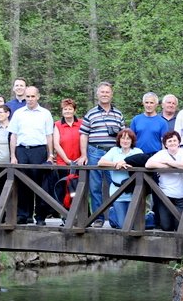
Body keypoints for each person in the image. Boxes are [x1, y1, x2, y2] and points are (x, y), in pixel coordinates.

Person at [78, 82, 125, 227]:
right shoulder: (91, 113)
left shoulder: (118, 114)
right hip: (95, 151)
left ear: (111, 94)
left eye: (107, 92)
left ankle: (115, 217)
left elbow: (124, 136)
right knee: (95, 186)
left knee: (115, 184)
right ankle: (97, 217)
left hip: (113, 152)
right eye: (102, 92)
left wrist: (122, 154)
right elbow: (83, 135)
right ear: (97, 94)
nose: (105, 94)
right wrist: (84, 155)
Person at [9, 86, 55, 226]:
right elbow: (13, 135)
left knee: (40, 185)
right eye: (27, 96)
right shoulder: (18, 113)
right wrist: (13, 156)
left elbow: (49, 135)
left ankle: (40, 216)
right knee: (22, 184)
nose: (30, 99)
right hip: (22, 150)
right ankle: (23, 215)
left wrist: (50, 155)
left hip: (39, 150)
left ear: (38, 97)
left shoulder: (45, 113)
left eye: (32, 96)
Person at [145, 131, 183, 231]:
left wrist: (166, 161)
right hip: (165, 194)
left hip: (181, 195)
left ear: (179, 142)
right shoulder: (161, 153)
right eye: (169, 141)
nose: (172, 143)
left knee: (181, 226)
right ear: (165, 144)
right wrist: (169, 166)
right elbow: (148, 164)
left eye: (174, 140)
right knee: (166, 226)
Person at [98, 129, 142, 229]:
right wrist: (116, 164)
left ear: (132, 140)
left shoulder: (137, 151)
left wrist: (127, 163)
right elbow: (100, 162)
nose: (125, 141)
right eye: (123, 138)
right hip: (117, 191)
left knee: (133, 225)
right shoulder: (114, 150)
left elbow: (144, 163)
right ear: (119, 140)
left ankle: (148, 217)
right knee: (123, 226)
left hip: (133, 191)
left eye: (128, 138)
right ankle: (113, 215)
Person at [54, 98, 82, 166]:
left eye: (70, 109)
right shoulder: (57, 125)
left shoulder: (81, 123)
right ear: (62, 111)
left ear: (74, 111)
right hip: (62, 162)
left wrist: (82, 157)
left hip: (79, 162)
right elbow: (56, 144)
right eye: (65, 109)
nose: (67, 111)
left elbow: (86, 142)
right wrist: (67, 160)